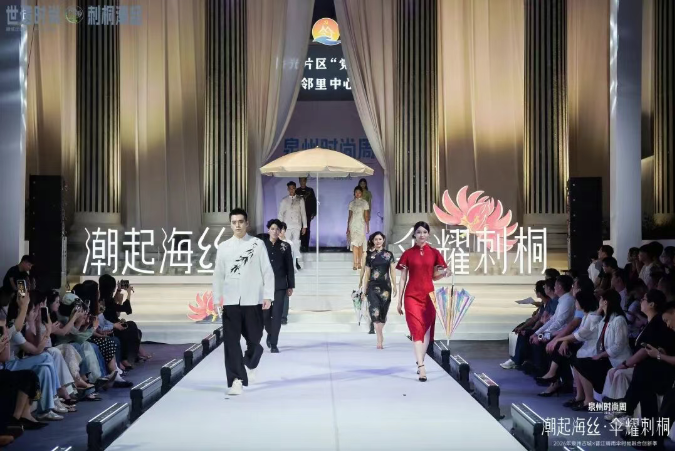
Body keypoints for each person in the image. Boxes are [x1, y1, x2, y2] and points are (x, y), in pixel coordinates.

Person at [213, 208, 274, 396]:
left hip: (252, 299)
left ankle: (251, 361)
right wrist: (217, 299)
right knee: (231, 343)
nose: (237, 225)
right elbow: (218, 274)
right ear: (230, 224)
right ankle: (236, 380)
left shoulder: (257, 244)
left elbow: (267, 271)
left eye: (241, 221)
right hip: (230, 301)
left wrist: (268, 295)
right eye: (234, 222)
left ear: (247, 223)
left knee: (254, 340)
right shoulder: (223, 247)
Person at [396, 221, 451, 382]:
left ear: (428, 234)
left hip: (428, 296)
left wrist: (444, 274)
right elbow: (403, 278)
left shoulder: (434, 253)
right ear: (414, 234)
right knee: (416, 330)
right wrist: (399, 301)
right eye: (419, 232)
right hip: (411, 296)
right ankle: (421, 367)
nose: (422, 235)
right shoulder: (407, 254)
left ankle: (421, 360)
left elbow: (434, 276)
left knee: (426, 330)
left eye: (425, 232)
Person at [571, 289, 631, 411]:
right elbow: (592, 329)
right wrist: (599, 310)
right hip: (606, 358)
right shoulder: (605, 319)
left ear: (605, 302)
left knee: (583, 363)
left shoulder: (619, 320)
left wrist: (601, 355)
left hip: (616, 360)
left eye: (601, 299)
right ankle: (587, 399)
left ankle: (589, 400)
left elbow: (618, 346)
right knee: (577, 361)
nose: (599, 301)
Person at [257, 219, 294, 354]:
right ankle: (270, 333)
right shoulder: (261, 244)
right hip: (264, 285)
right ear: (268, 230)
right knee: (265, 315)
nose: (275, 231)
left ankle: (274, 344)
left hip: (280, 285)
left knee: (277, 315)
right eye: (272, 229)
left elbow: (289, 267)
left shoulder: (285, 246)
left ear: (280, 231)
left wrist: (290, 285)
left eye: (277, 229)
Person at [361, 232, 397, 349]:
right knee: (374, 311)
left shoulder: (389, 255)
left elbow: (392, 271)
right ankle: (379, 338)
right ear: (373, 241)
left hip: (386, 288)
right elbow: (367, 274)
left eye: (380, 239)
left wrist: (395, 285)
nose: (378, 241)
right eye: (376, 239)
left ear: (383, 240)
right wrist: (364, 289)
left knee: (383, 313)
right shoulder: (369, 256)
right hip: (372, 287)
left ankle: (379, 334)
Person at [278, 181, 307, 271]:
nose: (291, 190)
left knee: (296, 243)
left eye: (293, 188)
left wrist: (304, 226)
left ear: (295, 188)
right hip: (286, 225)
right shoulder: (284, 200)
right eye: (290, 188)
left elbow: (303, 213)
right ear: (288, 189)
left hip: (297, 225)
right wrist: (280, 226)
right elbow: (280, 214)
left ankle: (296, 261)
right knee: (286, 244)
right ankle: (286, 262)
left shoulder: (300, 199)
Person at [347, 186, 370, 271]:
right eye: (356, 192)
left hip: (361, 224)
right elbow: (350, 216)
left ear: (362, 193)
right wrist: (347, 227)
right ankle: (354, 263)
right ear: (354, 193)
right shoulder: (351, 203)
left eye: (359, 192)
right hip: (353, 224)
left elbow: (366, 216)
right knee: (354, 243)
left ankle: (360, 262)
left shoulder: (365, 203)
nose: (357, 194)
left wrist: (367, 226)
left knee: (360, 244)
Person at [296, 177, 317, 253]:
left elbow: (313, 201)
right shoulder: (297, 190)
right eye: (301, 181)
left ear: (306, 181)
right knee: (298, 229)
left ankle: (306, 245)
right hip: (298, 213)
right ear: (299, 181)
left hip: (307, 213)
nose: (302, 182)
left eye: (303, 181)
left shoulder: (310, 190)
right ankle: (300, 245)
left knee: (306, 229)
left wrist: (313, 212)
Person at [278, 222, 291, 325]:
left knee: (285, 296)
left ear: (285, 231)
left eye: (281, 229)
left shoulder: (289, 244)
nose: (279, 232)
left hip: (285, 273)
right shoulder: (271, 243)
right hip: (273, 273)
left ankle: (283, 317)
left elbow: (291, 262)